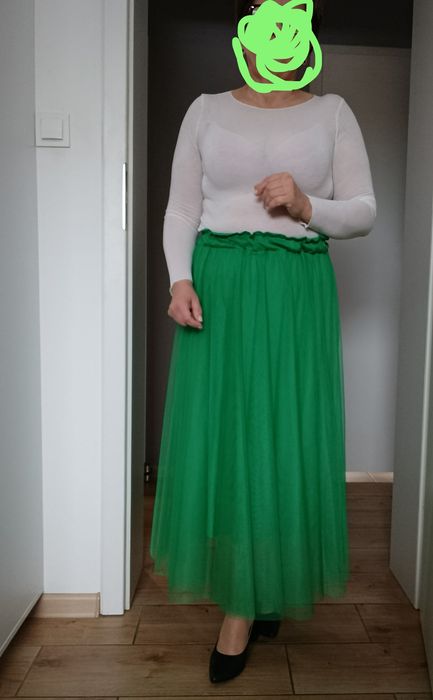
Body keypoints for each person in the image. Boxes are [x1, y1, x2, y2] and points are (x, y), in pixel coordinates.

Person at [149, 0, 377, 684]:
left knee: (280, 436)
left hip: (293, 289)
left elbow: (363, 211)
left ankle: (249, 602)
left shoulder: (332, 112)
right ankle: (249, 594)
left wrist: (306, 205)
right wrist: (179, 278)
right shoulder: (205, 110)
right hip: (220, 287)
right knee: (228, 439)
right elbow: (182, 206)